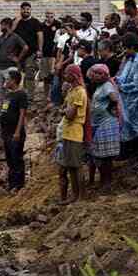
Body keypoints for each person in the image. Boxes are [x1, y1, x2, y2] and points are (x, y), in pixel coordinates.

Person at [86, 63, 121, 193]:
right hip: (100, 123)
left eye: (98, 73)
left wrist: (109, 109)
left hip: (106, 123)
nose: (94, 75)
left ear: (104, 75)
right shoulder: (100, 86)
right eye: (94, 73)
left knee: (105, 156)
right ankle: (104, 181)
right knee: (101, 155)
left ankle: (107, 182)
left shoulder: (107, 86)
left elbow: (114, 98)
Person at [56, 63, 88, 203]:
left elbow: (69, 114)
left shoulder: (80, 92)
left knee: (77, 166)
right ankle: (75, 195)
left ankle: (81, 196)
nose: (64, 76)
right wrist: (64, 110)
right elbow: (64, 108)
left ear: (73, 75)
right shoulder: (71, 91)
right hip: (67, 132)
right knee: (70, 166)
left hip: (75, 132)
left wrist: (64, 111)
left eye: (67, 74)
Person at [116, 34, 138, 157]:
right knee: (126, 123)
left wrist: (122, 87)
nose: (124, 51)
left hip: (136, 98)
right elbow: (124, 77)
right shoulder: (130, 60)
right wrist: (117, 80)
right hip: (126, 98)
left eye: (125, 48)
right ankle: (129, 151)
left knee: (136, 123)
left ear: (132, 47)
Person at [0, 69, 28, 192]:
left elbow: (22, 114)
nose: (5, 81)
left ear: (14, 81)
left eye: (8, 79)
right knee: (9, 158)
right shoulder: (8, 94)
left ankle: (19, 184)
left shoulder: (21, 94)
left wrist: (17, 131)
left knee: (17, 158)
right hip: (6, 132)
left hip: (15, 133)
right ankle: (11, 183)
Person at [0, 17, 27, 116]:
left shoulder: (15, 37)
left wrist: (18, 58)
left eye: (1, 25)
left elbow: (25, 47)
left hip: (10, 67)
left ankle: (9, 111)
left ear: (6, 25)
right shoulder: (0, 37)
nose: (0, 27)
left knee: (11, 91)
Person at [10, 2, 42, 99]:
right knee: (16, 74)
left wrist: (40, 49)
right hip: (17, 54)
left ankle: (29, 96)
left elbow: (40, 36)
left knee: (29, 74)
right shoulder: (16, 21)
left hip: (31, 53)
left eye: (28, 9)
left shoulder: (35, 22)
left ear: (30, 10)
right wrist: (16, 21)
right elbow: (10, 32)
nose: (26, 11)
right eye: (24, 9)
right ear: (21, 10)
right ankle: (16, 94)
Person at [40, 11, 59, 96]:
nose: (49, 18)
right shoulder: (41, 25)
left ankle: (53, 95)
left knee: (52, 75)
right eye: (48, 16)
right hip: (44, 54)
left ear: (54, 16)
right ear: (45, 16)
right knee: (45, 76)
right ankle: (46, 95)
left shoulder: (58, 24)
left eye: (51, 16)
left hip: (54, 55)